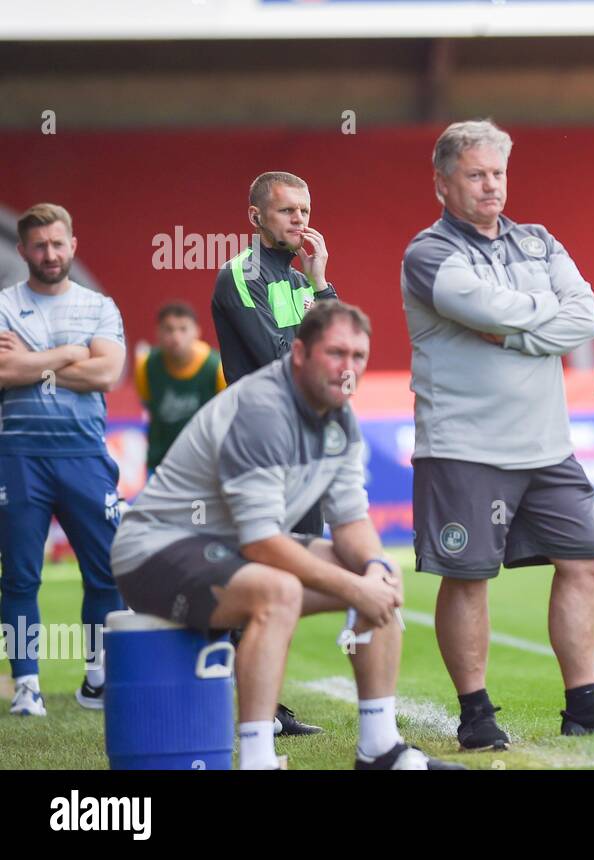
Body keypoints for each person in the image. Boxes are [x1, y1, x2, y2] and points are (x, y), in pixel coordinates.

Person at [110, 300, 462, 770]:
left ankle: (379, 748)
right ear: (300, 353)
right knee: (279, 590)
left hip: (227, 547)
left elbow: (352, 522)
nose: (349, 367)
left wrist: (374, 568)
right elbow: (260, 543)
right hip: (153, 550)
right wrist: (355, 588)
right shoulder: (262, 408)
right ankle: (257, 758)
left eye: (359, 356)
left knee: (379, 572)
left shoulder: (341, 416)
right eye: (336, 353)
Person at [401, 119, 594, 749]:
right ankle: (476, 714)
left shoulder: (540, 241)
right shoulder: (428, 252)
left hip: (547, 444)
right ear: (442, 182)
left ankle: (584, 704)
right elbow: (487, 308)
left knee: (586, 560)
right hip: (464, 444)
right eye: (475, 174)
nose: (491, 186)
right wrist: (533, 321)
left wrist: (515, 331)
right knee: (467, 577)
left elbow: (585, 317)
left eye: (498, 173)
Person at [210, 170, 337, 735]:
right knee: (261, 575)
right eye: (288, 211)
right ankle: (223, 691)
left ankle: (264, 703)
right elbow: (280, 358)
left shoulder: (300, 277)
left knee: (293, 578)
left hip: (305, 445)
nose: (301, 221)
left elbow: (340, 349)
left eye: (305, 210)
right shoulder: (241, 275)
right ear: (255, 217)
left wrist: (322, 282)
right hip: (262, 447)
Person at [0, 203, 126, 716]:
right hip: (18, 456)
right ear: (23, 250)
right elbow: (2, 374)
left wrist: (29, 361)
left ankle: (96, 679)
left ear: (72, 245)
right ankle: (26, 687)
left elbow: (106, 375)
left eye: (57, 244)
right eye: (38, 245)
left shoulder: (99, 306)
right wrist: (70, 353)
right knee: (20, 577)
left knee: (108, 574)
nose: (49, 254)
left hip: (85, 455)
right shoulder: (4, 303)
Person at [134, 302, 226, 473]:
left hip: (205, 464)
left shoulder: (217, 368)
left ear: (197, 332)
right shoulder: (145, 365)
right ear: (158, 333)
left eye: (183, 329)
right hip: (160, 463)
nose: (176, 337)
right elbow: (147, 404)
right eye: (169, 329)